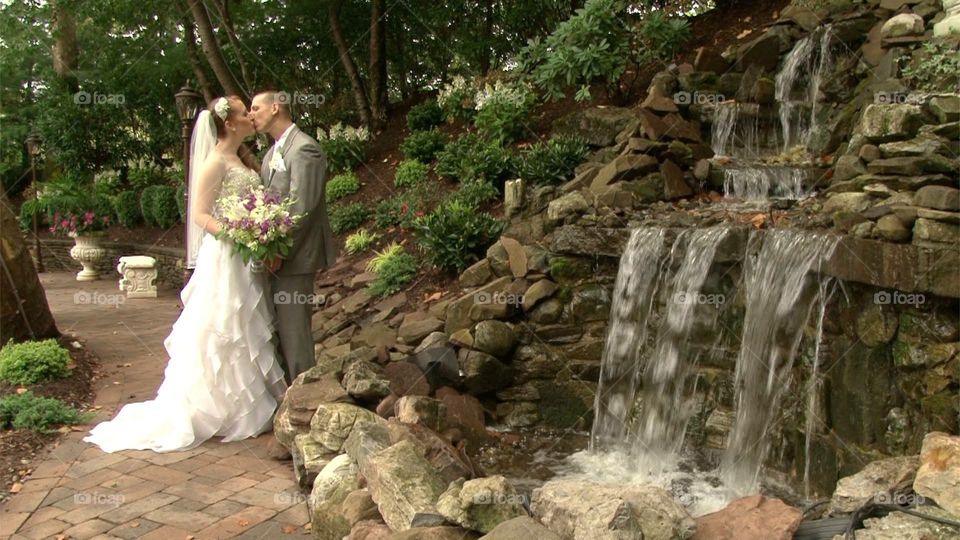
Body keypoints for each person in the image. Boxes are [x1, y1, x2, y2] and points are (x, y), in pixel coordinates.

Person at [83, 97, 287, 453]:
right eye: (243, 113)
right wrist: (238, 232)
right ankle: (218, 408)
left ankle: (245, 404)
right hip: (226, 256)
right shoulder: (214, 163)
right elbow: (200, 215)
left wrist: (258, 231)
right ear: (228, 123)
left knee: (247, 327)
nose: (249, 117)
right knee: (224, 327)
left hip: (246, 255)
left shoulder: (242, 159)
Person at [249, 91, 337, 384]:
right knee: (276, 329)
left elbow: (303, 207)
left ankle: (305, 398)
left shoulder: (305, 149)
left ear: (275, 108)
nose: (251, 114)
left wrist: (279, 252)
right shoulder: (270, 155)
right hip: (273, 255)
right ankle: (287, 396)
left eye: (255, 108)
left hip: (295, 257)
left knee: (294, 330)